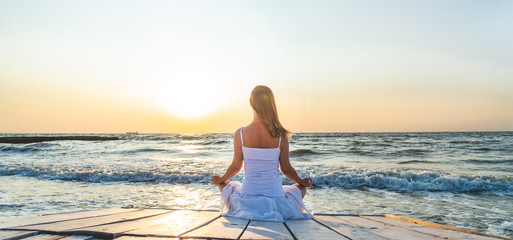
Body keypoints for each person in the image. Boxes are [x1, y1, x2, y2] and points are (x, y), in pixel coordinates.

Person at [211, 85, 314, 222]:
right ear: (271, 104)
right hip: (276, 198)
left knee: (224, 185)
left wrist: (220, 179)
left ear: (251, 103)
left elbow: (236, 167)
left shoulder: (240, 134)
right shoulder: (281, 136)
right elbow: (286, 169)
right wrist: (301, 181)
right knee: (300, 188)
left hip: (247, 198)